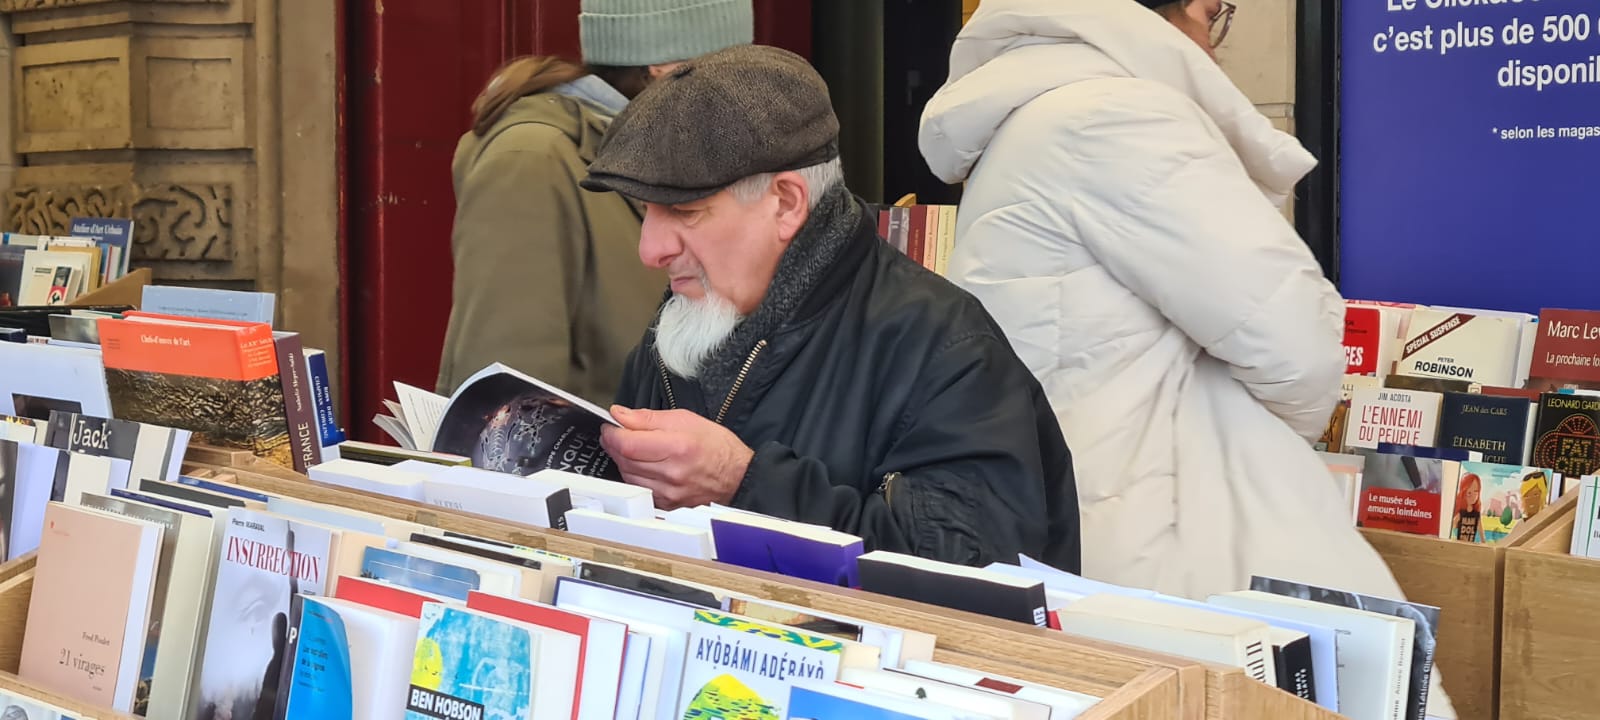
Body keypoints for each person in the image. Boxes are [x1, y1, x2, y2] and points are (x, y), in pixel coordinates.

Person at [581, 44, 1080, 571]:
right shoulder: (679, 327)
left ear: (787, 203)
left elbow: (975, 573)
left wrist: (744, 484)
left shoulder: (943, 347)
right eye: (646, 212)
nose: (650, 249)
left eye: (685, 211)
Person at [436, 0, 755, 402]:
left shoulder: (659, 151)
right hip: (580, 460)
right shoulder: (532, 158)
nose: (741, 91)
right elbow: (508, 382)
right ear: (662, 65)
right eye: (730, 67)